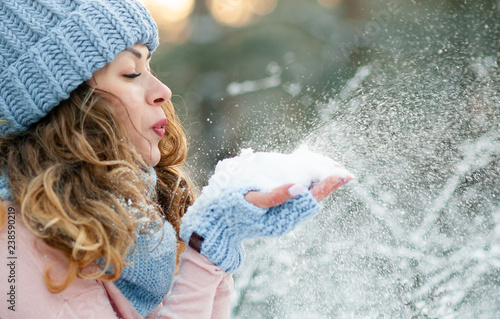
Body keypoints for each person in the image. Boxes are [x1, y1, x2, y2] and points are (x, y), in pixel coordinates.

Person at [0, 0, 351, 318]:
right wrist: (209, 245)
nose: (162, 91)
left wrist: (215, 243)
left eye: (149, 67)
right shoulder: (16, 249)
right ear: (65, 107)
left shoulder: (122, 219)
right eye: (131, 73)